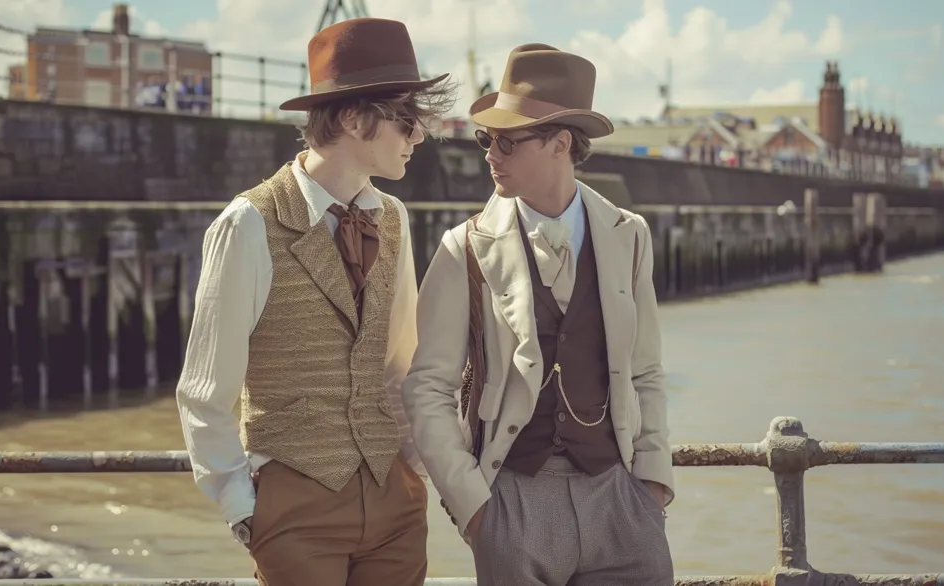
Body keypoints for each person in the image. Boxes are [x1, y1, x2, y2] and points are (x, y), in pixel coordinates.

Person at [175, 17, 455, 586]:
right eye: (406, 119)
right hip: (294, 506)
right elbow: (205, 390)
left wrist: (413, 468)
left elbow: (400, 362)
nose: (418, 136)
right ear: (353, 118)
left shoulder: (393, 218)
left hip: (394, 502)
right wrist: (243, 508)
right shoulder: (248, 223)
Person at [402, 43, 675, 585]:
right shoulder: (464, 248)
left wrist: (652, 486)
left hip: (620, 501)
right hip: (514, 504)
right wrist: (475, 509)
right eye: (486, 139)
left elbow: (645, 372)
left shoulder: (630, 237)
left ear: (560, 144)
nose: (490, 154)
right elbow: (427, 387)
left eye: (507, 140)